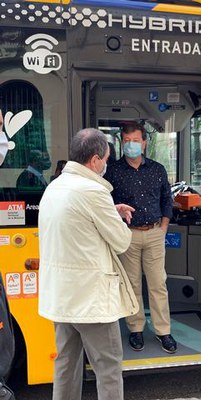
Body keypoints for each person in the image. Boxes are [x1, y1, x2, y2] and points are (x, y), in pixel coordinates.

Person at [38, 128, 138, 400]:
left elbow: (75, 222)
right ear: (95, 160)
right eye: (105, 159)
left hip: (62, 296)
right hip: (91, 300)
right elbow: (121, 241)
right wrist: (115, 217)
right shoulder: (94, 191)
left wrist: (109, 210)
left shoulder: (54, 186)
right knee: (108, 367)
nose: (105, 164)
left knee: (66, 364)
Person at [105, 122, 177, 354]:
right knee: (132, 285)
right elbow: (105, 203)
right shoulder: (112, 170)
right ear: (121, 143)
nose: (131, 146)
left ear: (144, 143)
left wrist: (163, 228)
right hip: (128, 236)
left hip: (155, 232)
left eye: (136, 141)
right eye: (127, 142)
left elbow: (167, 200)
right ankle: (135, 329)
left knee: (158, 284)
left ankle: (163, 331)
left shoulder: (157, 169)